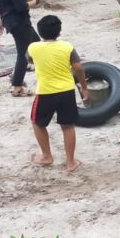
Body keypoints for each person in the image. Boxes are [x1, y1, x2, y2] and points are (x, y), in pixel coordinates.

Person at [26, 14, 88, 173]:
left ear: (39, 32)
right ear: (59, 31)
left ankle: (47, 156)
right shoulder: (67, 47)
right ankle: (70, 162)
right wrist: (84, 87)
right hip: (67, 90)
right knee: (67, 126)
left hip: (46, 92)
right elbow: (79, 68)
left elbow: (30, 60)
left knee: (37, 123)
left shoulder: (33, 47)